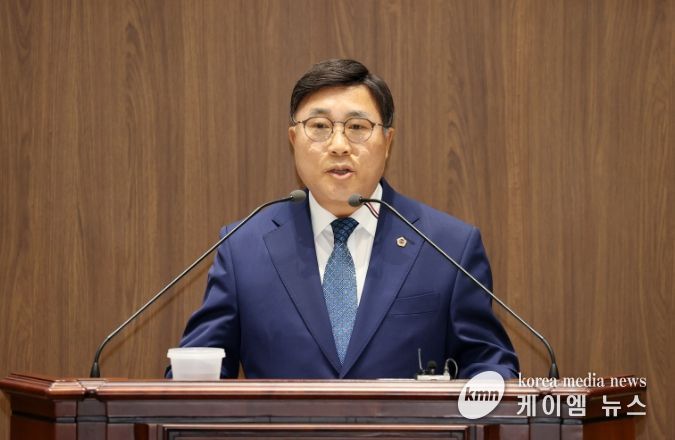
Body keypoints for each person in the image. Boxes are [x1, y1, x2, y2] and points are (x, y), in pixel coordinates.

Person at [170, 59, 519, 379]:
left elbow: (491, 368)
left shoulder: (448, 247)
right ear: (293, 140)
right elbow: (195, 380)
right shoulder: (243, 249)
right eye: (319, 126)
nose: (339, 145)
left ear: (388, 141)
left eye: (357, 126)